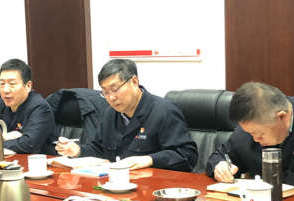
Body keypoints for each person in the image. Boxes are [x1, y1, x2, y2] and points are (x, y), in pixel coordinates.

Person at [56, 59, 198, 172]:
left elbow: (187, 155)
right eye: (105, 92)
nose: (111, 98)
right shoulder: (110, 113)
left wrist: (149, 160)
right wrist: (78, 150)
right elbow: (99, 149)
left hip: (154, 188)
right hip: (117, 184)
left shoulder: (164, 111)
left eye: (115, 89)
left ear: (134, 82)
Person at [0, 59, 56, 154]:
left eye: (12, 84)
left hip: (40, 161)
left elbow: (29, 144)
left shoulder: (40, 108)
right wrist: (3, 138)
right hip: (8, 160)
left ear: (28, 86)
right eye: (2, 84)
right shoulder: (0, 105)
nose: (6, 90)